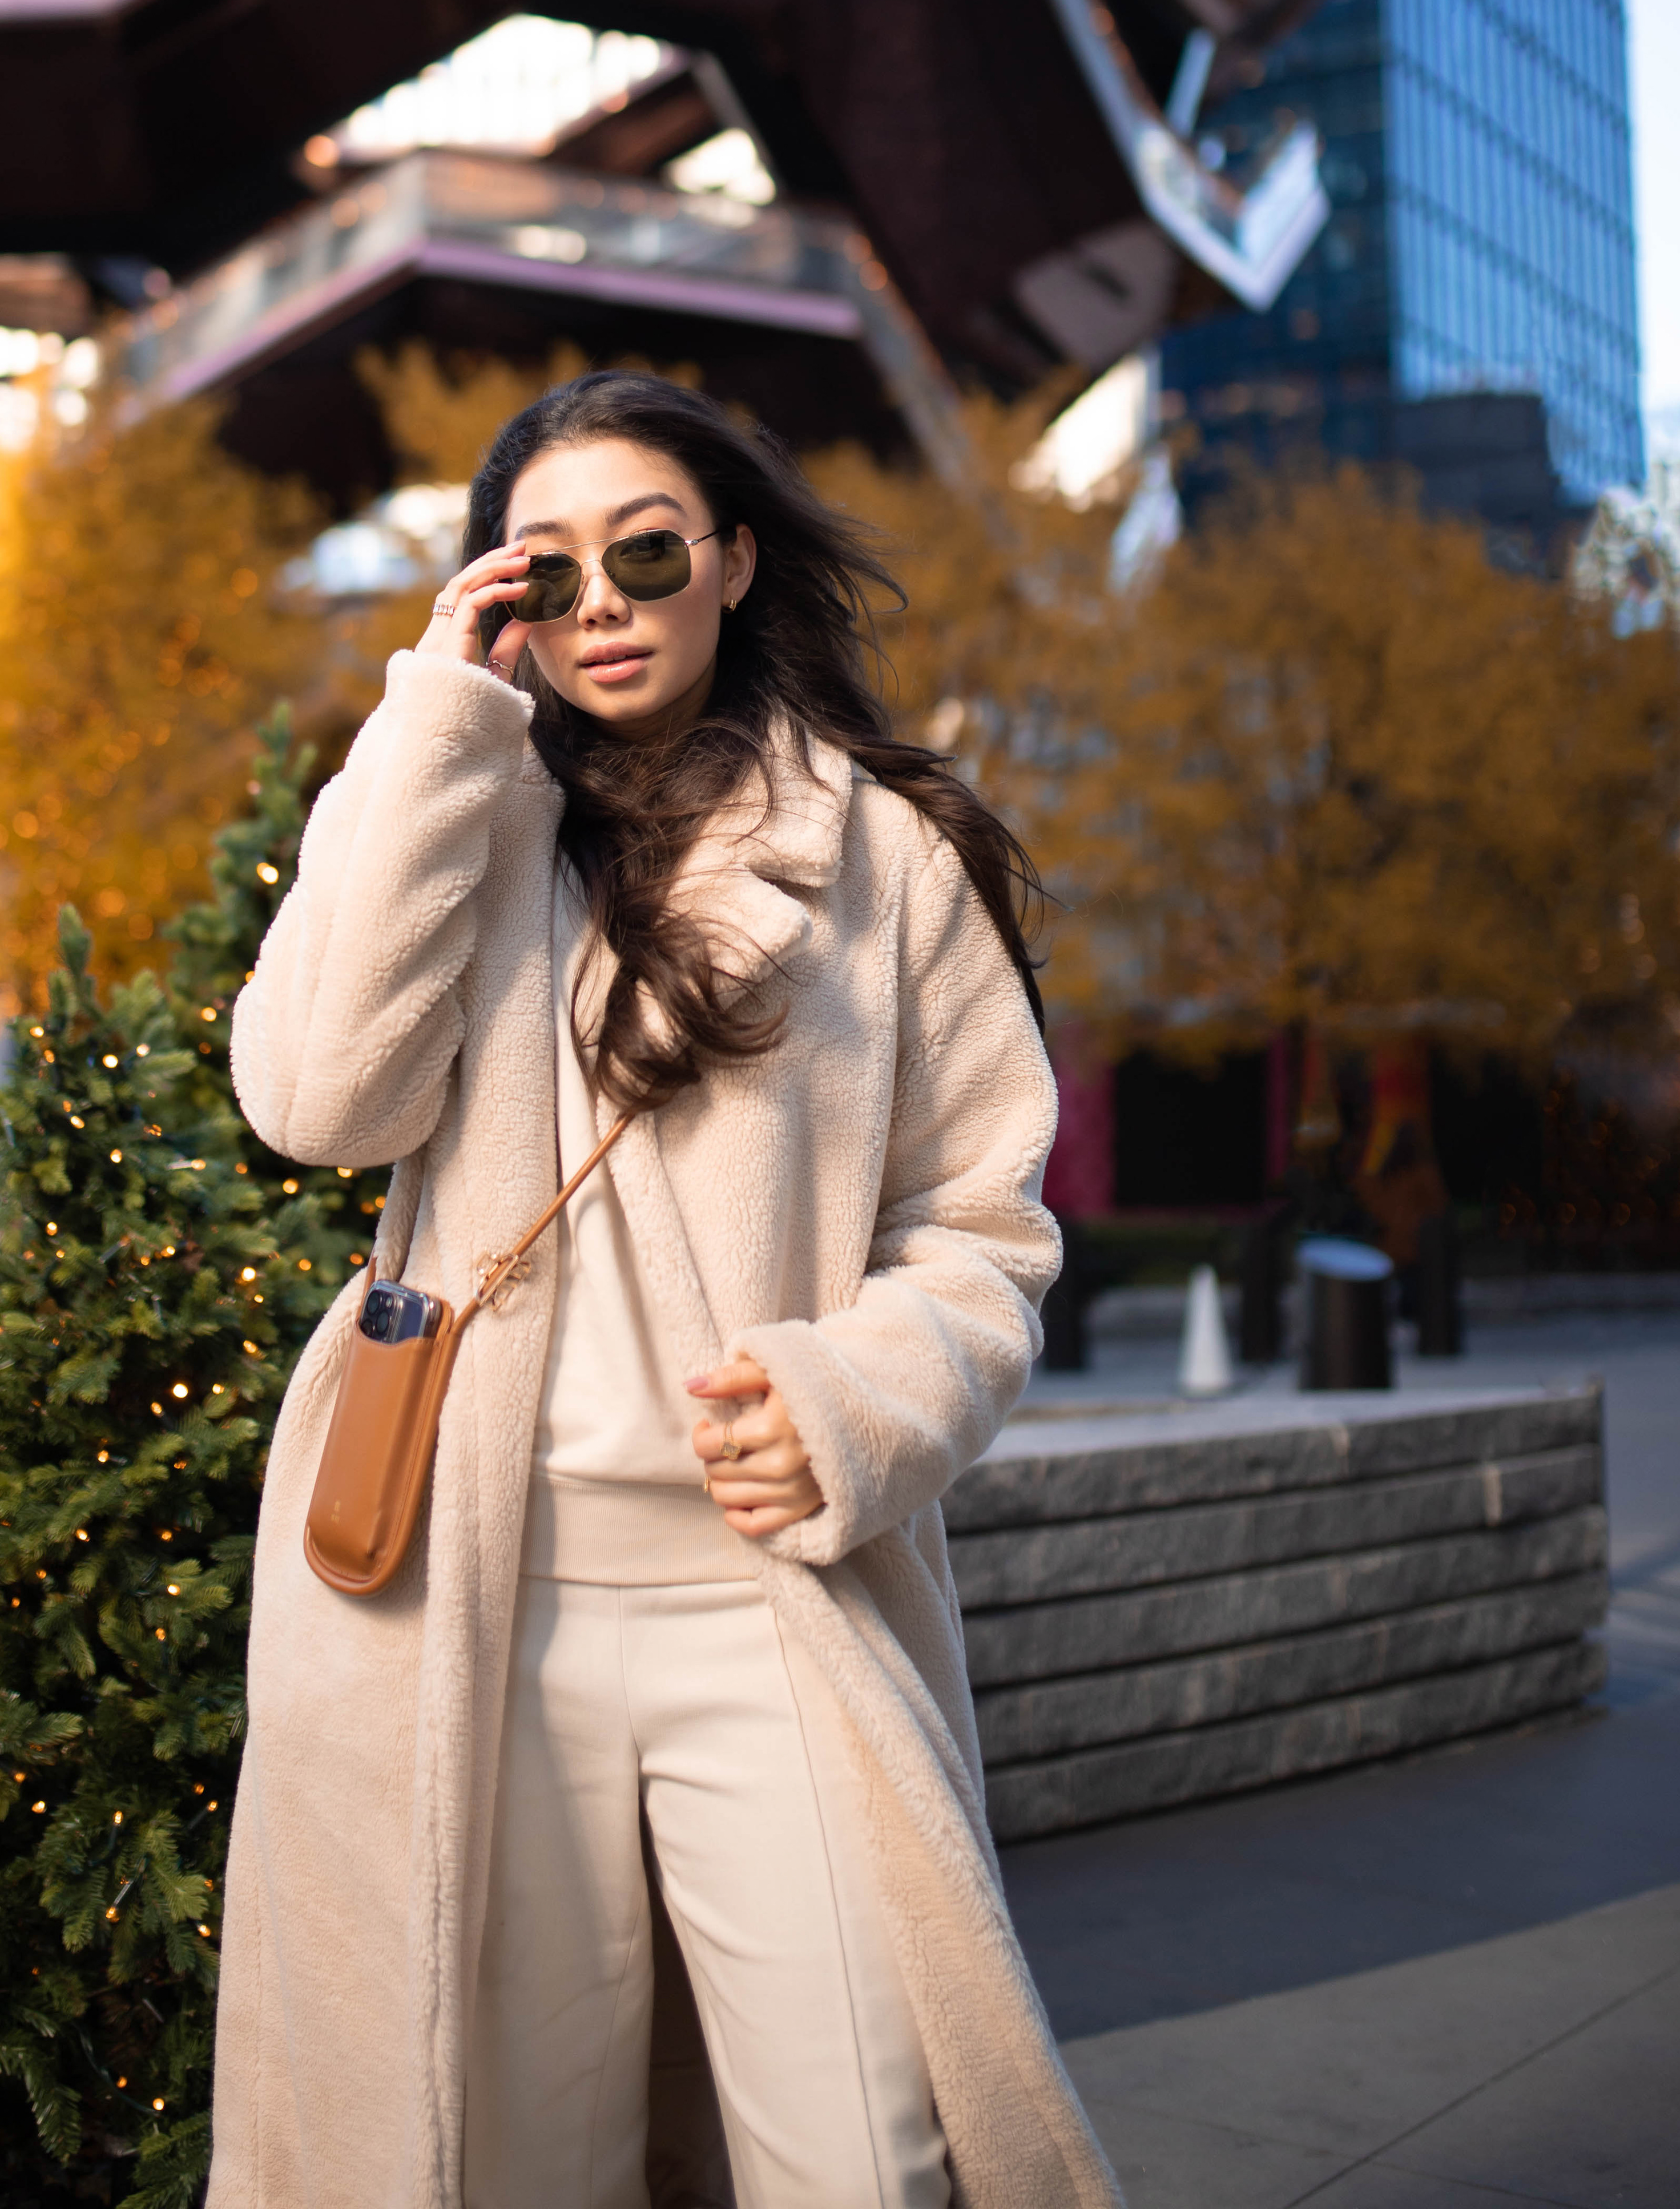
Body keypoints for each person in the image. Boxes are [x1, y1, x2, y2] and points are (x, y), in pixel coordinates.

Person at [210, 372, 1118, 2209]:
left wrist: (859, 1396)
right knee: (510, 2152)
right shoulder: (440, 811)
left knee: (868, 2149)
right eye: (547, 571)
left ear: (733, 564)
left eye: (646, 554)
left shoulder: (882, 853)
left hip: (766, 1584)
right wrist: (436, 720)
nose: (603, 603)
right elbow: (314, 1103)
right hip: (473, 1593)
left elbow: (982, 1224)